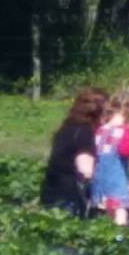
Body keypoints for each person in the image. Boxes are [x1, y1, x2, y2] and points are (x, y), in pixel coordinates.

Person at [40, 87, 109, 217]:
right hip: (70, 199)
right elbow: (85, 170)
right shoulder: (85, 132)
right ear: (99, 113)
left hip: (51, 191)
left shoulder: (66, 128)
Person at [91, 91, 129, 226]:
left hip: (99, 176)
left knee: (109, 208)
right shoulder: (124, 130)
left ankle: (109, 232)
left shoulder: (101, 129)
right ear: (128, 112)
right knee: (121, 210)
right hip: (115, 178)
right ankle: (120, 234)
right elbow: (125, 150)